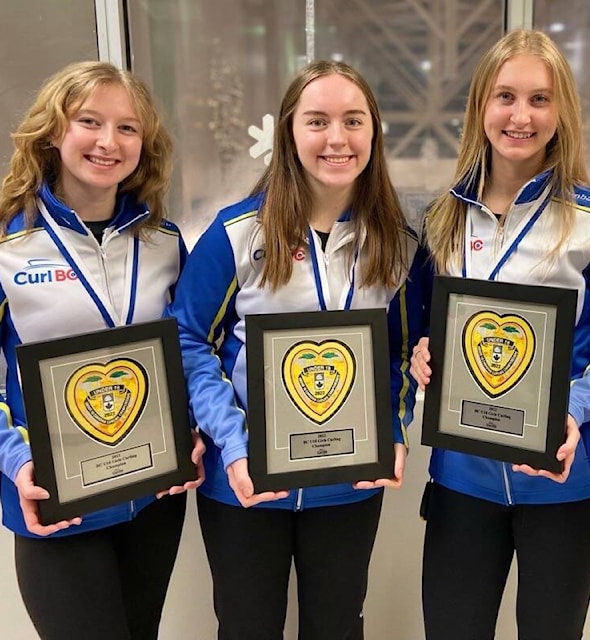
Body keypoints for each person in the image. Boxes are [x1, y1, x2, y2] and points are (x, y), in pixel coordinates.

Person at [409, 30, 590, 639]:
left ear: (561, 114)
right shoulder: (442, 218)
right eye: (505, 97)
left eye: (540, 99)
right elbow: (423, 333)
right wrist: (421, 355)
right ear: (481, 108)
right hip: (462, 478)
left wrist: (573, 405)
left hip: (566, 477)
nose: (520, 115)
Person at [168, 60, 427, 640]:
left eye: (353, 121)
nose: (336, 138)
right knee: (246, 625)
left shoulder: (400, 245)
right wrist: (232, 442)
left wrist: (392, 428)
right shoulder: (236, 235)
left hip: (348, 481)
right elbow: (188, 342)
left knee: (337, 625)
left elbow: (405, 352)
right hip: (244, 479)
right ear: (289, 132)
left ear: (373, 133)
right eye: (317, 121)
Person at [0, 61, 204, 640]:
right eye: (89, 121)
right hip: (59, 508)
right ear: (53, 131)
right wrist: (19, 458)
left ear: (147, 143)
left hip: (154, 501)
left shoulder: (164, 243)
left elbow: (181, 353)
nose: (109, 142)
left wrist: (188, 425)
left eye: (128, 128)